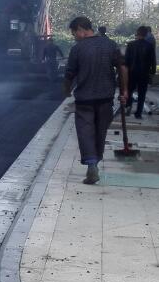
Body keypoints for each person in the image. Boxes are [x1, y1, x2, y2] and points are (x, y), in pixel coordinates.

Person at [64, 16, 128, 185]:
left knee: (85, 132)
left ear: (80, 29)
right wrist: (125, 91)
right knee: (100, 132)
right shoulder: (110, 45)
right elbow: (122, 67)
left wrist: (66, 90)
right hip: (105, 98)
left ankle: (92, 164)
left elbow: (69, 73)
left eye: (73, 33)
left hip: (85, 100)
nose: (74, 36)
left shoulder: (77, 49)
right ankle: (95, 163)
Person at [124, 25, 156, 119]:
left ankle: (128, 107)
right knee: (142, 93)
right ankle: (138, 113)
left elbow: (126, 60)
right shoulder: (149, 46)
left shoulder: (130, 44)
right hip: (144, 73)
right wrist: (152, 72)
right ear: (146, 34)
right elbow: (153, 60)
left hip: (132, 72)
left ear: (137, 33)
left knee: (129, 91)